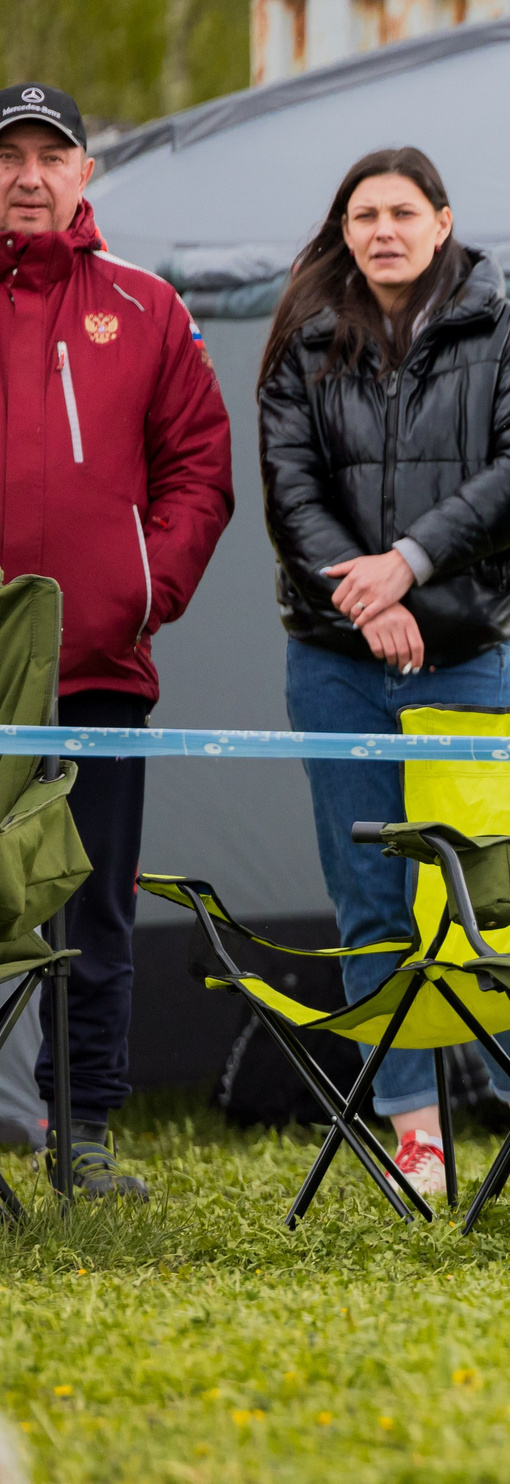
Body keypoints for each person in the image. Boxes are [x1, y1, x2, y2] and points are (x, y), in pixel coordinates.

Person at [259, 146, 510, 1203]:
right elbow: (291, 492)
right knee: (368, 901)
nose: (380, 230)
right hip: (334, 663)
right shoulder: (304, 341)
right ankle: (415, 1133)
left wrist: (411, 563)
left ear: (443, 221)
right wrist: (370, 596)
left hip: (467, 655)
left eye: (399, 212)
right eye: (361, 216)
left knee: (478, 892)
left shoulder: (506, 330)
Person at [1, 83, 233, 1199]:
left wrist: (150, 588)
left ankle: (81, 1134)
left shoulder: (144, 306)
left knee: (91, 905)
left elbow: (201, 464)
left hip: (100, 670)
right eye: (10, 156)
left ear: (88, 172)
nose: (28, 175)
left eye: (52, 155)